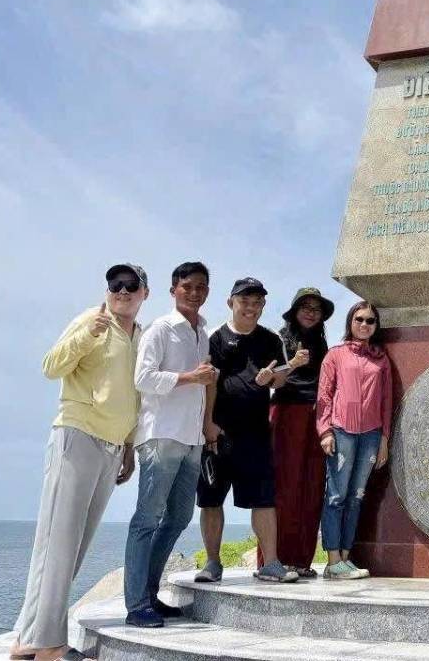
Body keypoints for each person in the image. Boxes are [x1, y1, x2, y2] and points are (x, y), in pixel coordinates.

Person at [10, 264, 148, 661]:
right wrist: (87, 336)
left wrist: (128, 445)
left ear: (144, 293)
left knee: (74, 545)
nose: (122, 290)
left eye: (131, 285)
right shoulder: (91, 320)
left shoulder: (140, 336)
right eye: (115, 284)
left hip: (111, 445)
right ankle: (48, 644)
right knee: (59, 543)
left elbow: (133, 395)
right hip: (77, 435)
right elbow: (51, 366)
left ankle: (27, 639)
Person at [123, 261, 217, 628]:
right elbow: (143, 378)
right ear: (173, 289)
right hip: (161, 435)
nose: (194, 292)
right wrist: (190, 377)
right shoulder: (160, 329)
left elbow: (203, 387)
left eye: (201, 287)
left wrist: (205, 428)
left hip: (192, 438)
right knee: (146, 519)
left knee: (178, 517)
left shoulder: (202, 333)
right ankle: (136, 605)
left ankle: (149, 595)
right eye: (187, 286)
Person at [195, 278, 302, 585]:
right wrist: (208, 423)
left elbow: (281, 379)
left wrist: (272, 378)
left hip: (256, 433)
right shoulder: (214, 338)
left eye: (257, 303)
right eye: (245, 301)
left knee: (264, 500)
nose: (251, 308)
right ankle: (212, 563)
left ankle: (271, 563)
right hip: (219, 433)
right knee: (211, 499)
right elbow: (209, 383)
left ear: (263, 306)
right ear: (231, 302)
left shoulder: (270, 339)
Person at [316, 301, 393, 580]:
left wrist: (384, 438)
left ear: (376, 326)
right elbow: (324, 395)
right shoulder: (335, 355)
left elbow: (386, 401)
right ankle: (332, 559)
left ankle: (345, 558)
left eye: (370, 321)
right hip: (341, 432)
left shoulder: (381, 359)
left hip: (371, 435)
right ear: (350, 321)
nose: (364, 324)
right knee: (336, 496)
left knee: (356, 497)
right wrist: (325, 431)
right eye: (359, 319)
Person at [271, 287, 335, 577]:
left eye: (316, 308)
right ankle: (276, 558)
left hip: (317, 416)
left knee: (312, 486)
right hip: (287, 413)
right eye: (305, 307)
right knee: (285, 486)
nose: (310, 313)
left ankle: (302, 560)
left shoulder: (323, 345)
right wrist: (293, 363)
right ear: (295, 311)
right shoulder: (278, 339)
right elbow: (270, 380)